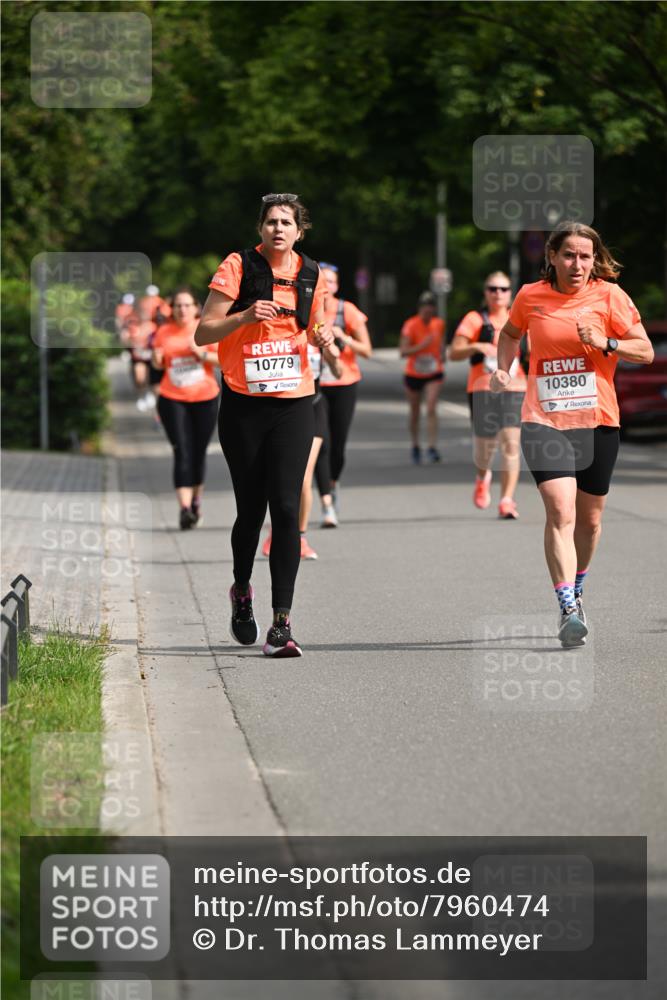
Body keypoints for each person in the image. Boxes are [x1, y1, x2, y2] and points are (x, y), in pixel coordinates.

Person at [489, 221, 654, 646]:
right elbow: (510, 334)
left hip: (598, 421)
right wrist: (504, 368)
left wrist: (606, 342)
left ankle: (577, 589)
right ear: (552, 257)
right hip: (544, 420)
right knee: (560, 512)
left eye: (585, 256)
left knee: (590, 521)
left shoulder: (610, 296)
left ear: (594, 260)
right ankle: (566, 607)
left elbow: (645, 350)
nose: (576, 264)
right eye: (568, 255)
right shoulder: (530, 296)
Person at [194, 193, 336, 658]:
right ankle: (241, 590)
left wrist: (324, 338)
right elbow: (203, 331)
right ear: (261, 228)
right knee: (251, 510)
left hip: (294, 402)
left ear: (300, 231)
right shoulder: (238, 266)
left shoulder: (312, 274)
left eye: (286, 223)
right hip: (243, 404)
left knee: (287, 508)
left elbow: (318, 333)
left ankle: (282, 624)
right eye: (271, 221)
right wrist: (244, 315)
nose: (278, 229)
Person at [449, 272, 526, 517]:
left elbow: (535, 351)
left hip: (515, 387)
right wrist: (476, 346)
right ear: (485, 292)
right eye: (493, 288)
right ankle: (483, 477)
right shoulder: (475, 319)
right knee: (485, 449)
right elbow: (454, 352)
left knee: (511, 445)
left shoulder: (519, 318)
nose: (498, 293)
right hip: (482, 388)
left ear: (510, 293)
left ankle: (507, 500)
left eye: (503, 289)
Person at [261, 340, 342, 560]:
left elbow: (338, 373)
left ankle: (300, 538)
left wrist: (332, 356)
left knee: (303, 477)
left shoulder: (318, 332)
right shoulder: (280, 333)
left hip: (313, 407)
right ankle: (278, 529)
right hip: (281, 408)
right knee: (277, 476)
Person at [151, 288, 220, 530]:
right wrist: (156, 359)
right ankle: (184, 509)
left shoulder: (206, 329)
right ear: (172, 309)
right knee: (181, 450)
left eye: (186, 305)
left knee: (198, 452)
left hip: (205, 398)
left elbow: (224, 359)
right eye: (177, 306)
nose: (182, 310)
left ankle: (196, 502)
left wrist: (202, 355)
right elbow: (158, 364)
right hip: (172, 398)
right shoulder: (163, 332)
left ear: (196, 307)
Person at [315, 263, 372, 526]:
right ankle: (326, 502)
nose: (327, 286)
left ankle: (333, 483)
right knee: (321, 444)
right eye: (322, 281)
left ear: (337, 286)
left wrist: (344, 337)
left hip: (344, 382)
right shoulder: (308, 309)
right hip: (315, 384)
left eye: (331, 281)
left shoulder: (346, 310)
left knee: (337, 447)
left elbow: (367, 350)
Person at [399, 291, 446, 464]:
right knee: (415, 411)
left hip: (433, 371)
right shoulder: (410, 325)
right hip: (414, 373)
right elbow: (403, 351)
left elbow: (441, 341)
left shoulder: (439, 324)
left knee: (431, 407)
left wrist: (442, 354)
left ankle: (432, 447)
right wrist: (421, 346)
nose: (428, 310)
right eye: (425, 307)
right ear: (420, 308)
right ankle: (415, 445)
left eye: (431, 307)